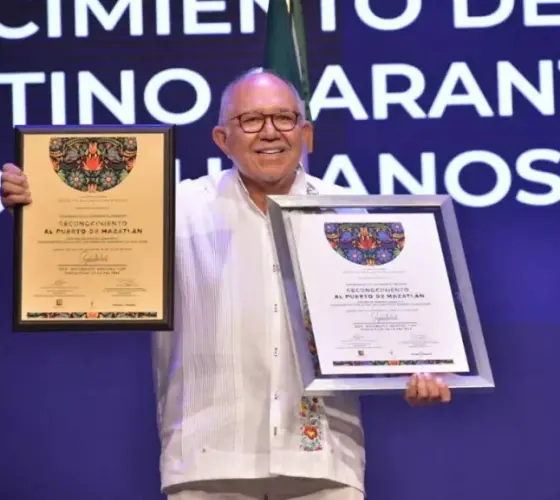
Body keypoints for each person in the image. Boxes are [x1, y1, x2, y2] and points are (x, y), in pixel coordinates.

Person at [1, 68, 452, 500]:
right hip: (207, 460)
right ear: (222, 139)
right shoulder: (173, 209)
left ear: (306, 133)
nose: (270, 132)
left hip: (325, 462)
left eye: (284, 118)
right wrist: (36, 203)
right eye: (251, 119)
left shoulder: (350, 217)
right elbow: (85, 248)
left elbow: (384, 331)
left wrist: (417, 371)